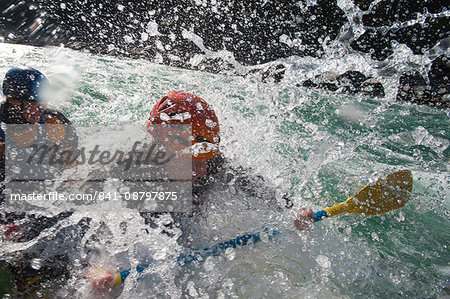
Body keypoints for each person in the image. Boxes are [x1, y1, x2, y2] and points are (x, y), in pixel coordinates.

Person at [0, 66, 79, 297]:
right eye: (35, 102)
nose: (41, 108)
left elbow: (69, 172)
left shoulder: (57, 123)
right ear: (14, 101)